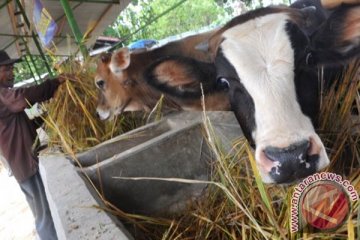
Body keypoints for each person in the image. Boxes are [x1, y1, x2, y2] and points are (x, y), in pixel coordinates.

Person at [0, 50, 65, 240]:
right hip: (24, 164)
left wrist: (46, 118)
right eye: (7, 69)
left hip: (23, 162)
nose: (12, 72)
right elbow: (24, 97)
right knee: (44, 214)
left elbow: (18, 126)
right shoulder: (3, 95)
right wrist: (54, 83)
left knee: (44, 209)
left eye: (12, 68)